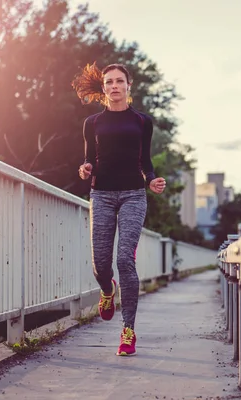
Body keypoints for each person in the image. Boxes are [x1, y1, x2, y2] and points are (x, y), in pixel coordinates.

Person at [71, 62, 166, 356]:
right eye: (109, 82)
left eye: (119, 81)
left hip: (133, 196)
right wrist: (86, 169)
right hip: (101, 195)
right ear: (104, 88)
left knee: (125, 259)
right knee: (101, 264)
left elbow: (146, 162)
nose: (114, 86)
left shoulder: (142, 122)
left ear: (129, 85)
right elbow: (90, 159)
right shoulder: (92, 123)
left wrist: (151, 181)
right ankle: (107, 290)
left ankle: (128, 331)